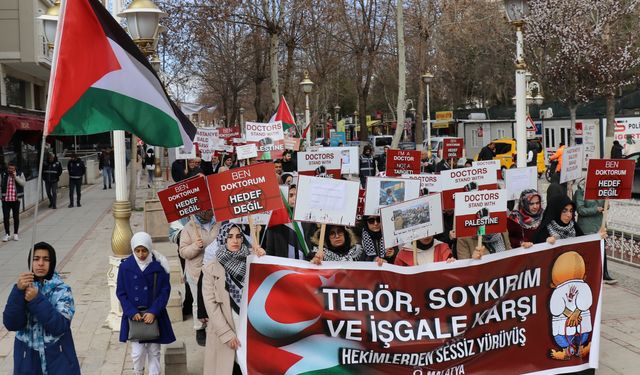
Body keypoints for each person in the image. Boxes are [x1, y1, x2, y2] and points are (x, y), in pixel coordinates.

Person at [3, 242, 81, 374]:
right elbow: (11, 323)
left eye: (46, 259)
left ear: (52, 263)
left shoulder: (62, 290)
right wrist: (18, 292)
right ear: (30, 262)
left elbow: (60, 326)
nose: (40, 263)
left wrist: (36, 300)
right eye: (36, 259)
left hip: (58, 359)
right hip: (27, 359)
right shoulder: (21, 288)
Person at [202, 223, 265, 375]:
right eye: (230, 237)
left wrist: (263, 257)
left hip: (250, 330)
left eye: (238, 236)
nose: (234, 241)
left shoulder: (253, 261)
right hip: (225, 333)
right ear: (223, 239)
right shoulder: (210, 268)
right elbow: (211, 306)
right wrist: (226, 334)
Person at [117, 232, 175, 375]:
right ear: (133, 249)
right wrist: (131, 312)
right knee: (137, 353)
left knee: (154, 351)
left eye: (144, 250)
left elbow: (164, 291)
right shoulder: (125, 267)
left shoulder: (159, 266)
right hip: (135, 317)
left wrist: (154, 311)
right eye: (137, 250)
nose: (141, 254)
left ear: (149, 248)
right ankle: (138, 371)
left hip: (154, 315)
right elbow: (121, 292)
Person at [179, 210, 219, 345]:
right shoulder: (189, 228)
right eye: (206, 209)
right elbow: (183, 252)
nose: (209, 211)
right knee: (198, 301)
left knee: (215, 299)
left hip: (215, 270)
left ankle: (216, 326)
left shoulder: (218, 223)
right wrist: (195, 246)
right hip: (196, 271)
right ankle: (200, 328)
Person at [574, 179, 616, 284]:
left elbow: (605, 206)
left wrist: (607, 203)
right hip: (586, 228)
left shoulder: (601, 190)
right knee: (588, 252)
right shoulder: (580, 192)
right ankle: (588, 275)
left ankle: (604, 274)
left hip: (600, 226)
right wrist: (595, 209)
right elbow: (580, 210)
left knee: (602, 250)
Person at [2, 162, 25, 241]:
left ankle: (15, 233)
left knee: (16, 217)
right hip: (6, 200)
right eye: (9, 168)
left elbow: (23, 183)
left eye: (12, 168)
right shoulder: (3, 174)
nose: (10, 170)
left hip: (15, 200)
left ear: (15, 168)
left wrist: (16, 177)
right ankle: (7, 234)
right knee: (6, 217)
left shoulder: (20, 173)